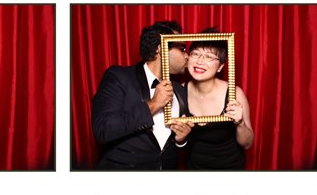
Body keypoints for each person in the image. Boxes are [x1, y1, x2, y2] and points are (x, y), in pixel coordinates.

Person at [92, 21, 192, 170]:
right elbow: (103, 129)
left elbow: (176, 147)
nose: (187, 56)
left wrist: (181, 140)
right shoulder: (119, 77)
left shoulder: (180, 90)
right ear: (160, 48)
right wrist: (153, 104)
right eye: (182, 48)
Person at [184, 31, 253, 170]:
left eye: (209, 57)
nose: (200, 61)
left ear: (220, 67)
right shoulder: (178, 92)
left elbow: (247, 144)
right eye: (196, 54)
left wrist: (240, 123)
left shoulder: (234, 93)